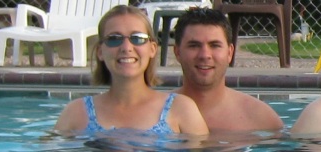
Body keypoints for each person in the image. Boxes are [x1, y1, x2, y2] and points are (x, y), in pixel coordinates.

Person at [52, 5, 208, 136]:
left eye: (137, 38)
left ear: (152, 49)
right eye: (114, 38)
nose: (126, 48)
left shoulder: (181, 109)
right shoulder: (76, 112)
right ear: (100, 51)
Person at [170, 7, 283, 134]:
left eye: (214, 45)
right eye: (194, 46)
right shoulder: (155, 114)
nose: (205, 55)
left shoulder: (261, 118)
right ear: (177, 52)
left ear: (230, 53)